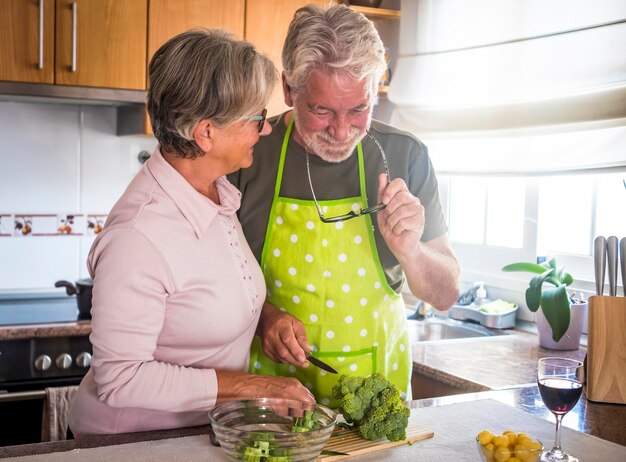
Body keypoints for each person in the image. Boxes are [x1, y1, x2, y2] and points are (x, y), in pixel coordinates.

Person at [68, 28, 314, 437]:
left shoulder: (215, 195)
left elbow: (199, 303)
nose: (266, 129)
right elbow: (121, 378)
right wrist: (255, 388)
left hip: (196, 435)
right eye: (256, 119)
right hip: (131, 445)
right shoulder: (138, 236)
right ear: (205, 133)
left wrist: (264, 318)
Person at [228, 4, 460, 405]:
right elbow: (211, 280)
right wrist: (264, 317)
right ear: (288, 90)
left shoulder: (407, 156)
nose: (341, 130)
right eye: (321, 110)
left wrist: (411, 251)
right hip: (271, 405)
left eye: (359, 109)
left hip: (377, 404)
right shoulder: (248, 154)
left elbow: (444, 295)